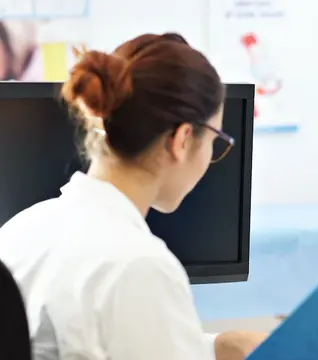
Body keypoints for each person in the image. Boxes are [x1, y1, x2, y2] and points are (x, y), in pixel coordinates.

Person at [0, 33, 266, 359]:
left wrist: (212, 347)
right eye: (215, 140)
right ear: (182, 140)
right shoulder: (139, 266)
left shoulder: (19, 230)